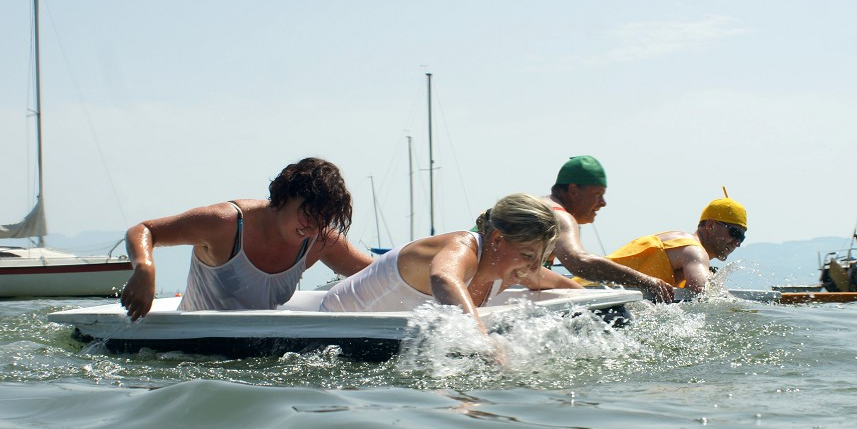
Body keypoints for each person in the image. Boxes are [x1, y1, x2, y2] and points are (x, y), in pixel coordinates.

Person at [120, 157, 372, 320]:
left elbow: (379, 273)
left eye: (322, 220)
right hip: (189, 349)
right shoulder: (224, 223)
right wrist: (144, 267)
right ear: (284, 198)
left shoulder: (319, 240)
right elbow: (144, 230)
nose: (312, 227)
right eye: (308, 214)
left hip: (256, 351)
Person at [319, 193, 581, 336]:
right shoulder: (463, 247)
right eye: (527, 255)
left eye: (540, 258)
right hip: (334, 323)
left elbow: (567, 289)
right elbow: (444, 278)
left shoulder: (510, 266)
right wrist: (481, 340)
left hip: (382, 334)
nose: (532, 267)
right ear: (499, 240)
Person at [542, 156, 675, 302]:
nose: (603, 203)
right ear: (573, 190)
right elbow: (580, 262)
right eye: (597, 194)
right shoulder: (560, 216)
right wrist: (646, 281)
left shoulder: (542, 206)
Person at [606, 194, 747, 293]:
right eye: (735, 233)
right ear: (710, 225)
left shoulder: (680, 243)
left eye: (742, 238)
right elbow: (705, 294)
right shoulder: (693, 250)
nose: (738, 243)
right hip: (592, 293)